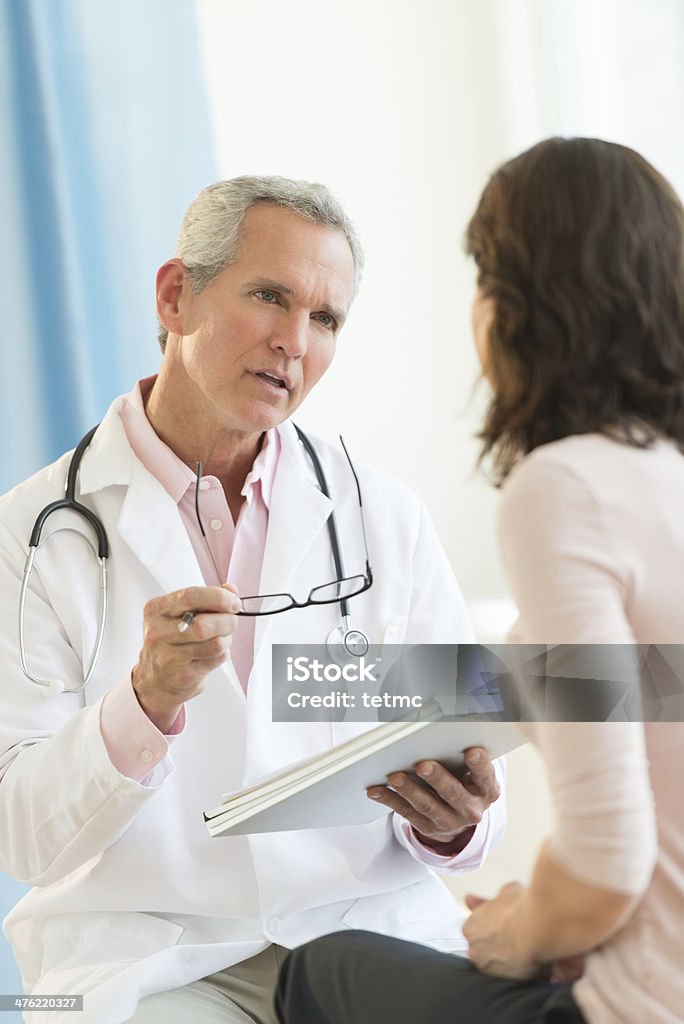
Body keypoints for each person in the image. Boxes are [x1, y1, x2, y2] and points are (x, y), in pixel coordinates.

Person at [0, 176, 506, 1024]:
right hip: (156, 956)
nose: (293, 342)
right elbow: (23, 836)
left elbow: (463, 771)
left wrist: (454, 824)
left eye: (326, 318)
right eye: (269, 295)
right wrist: (143, 702)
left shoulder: (383, 516)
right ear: (176, 296)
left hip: (363, 931)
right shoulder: (30, 536)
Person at [274, 139, 684, 1024]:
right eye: (272, 299)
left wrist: (517, 931)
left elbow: (609, 856)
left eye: (326, 317)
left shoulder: (564, 486)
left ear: (526, 304)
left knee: (318, 969)